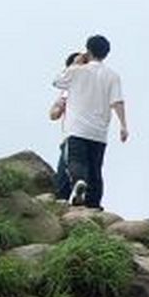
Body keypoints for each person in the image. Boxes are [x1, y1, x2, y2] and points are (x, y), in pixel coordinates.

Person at [53, 34, 129, 209]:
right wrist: (124, 126)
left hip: (77, 128)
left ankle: (79, 184)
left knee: (76, 162)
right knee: (96, 169)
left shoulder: (78, 70)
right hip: (99, 132)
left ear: (88, 51)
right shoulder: (112, 76)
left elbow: (57, 81)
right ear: (106, 53)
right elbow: (117, 101)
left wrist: (75, 64)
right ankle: (94, 205)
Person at [49, 50, 86, 200]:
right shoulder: (68, 91)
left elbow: (54, 114)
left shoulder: (69, 90)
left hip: (73, 136)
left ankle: (74, 196)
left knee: (66, 175)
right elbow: (54, 113)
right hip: (92, 137)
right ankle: (81, 200)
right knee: (86, 171)